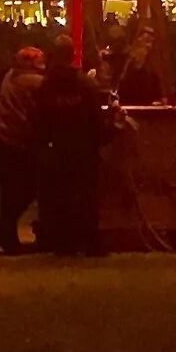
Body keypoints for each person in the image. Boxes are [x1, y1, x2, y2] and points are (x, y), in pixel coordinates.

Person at [32, 57, 108, 255]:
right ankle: (90, 243)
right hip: (83, 148)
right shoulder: (85, 86)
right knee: (86, 198)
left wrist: (43, 145)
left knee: (60, 199)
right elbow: (96, 119)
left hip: (57, 148)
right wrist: (102, 137)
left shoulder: (47, 87)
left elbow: (39, 119)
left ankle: (63, 244)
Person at [0, 45, 47, 251]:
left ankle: (7, 234)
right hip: (14, 141)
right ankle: (4, 228)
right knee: (29, 187)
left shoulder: (10, 76)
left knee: (9, 190)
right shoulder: (35, 82)